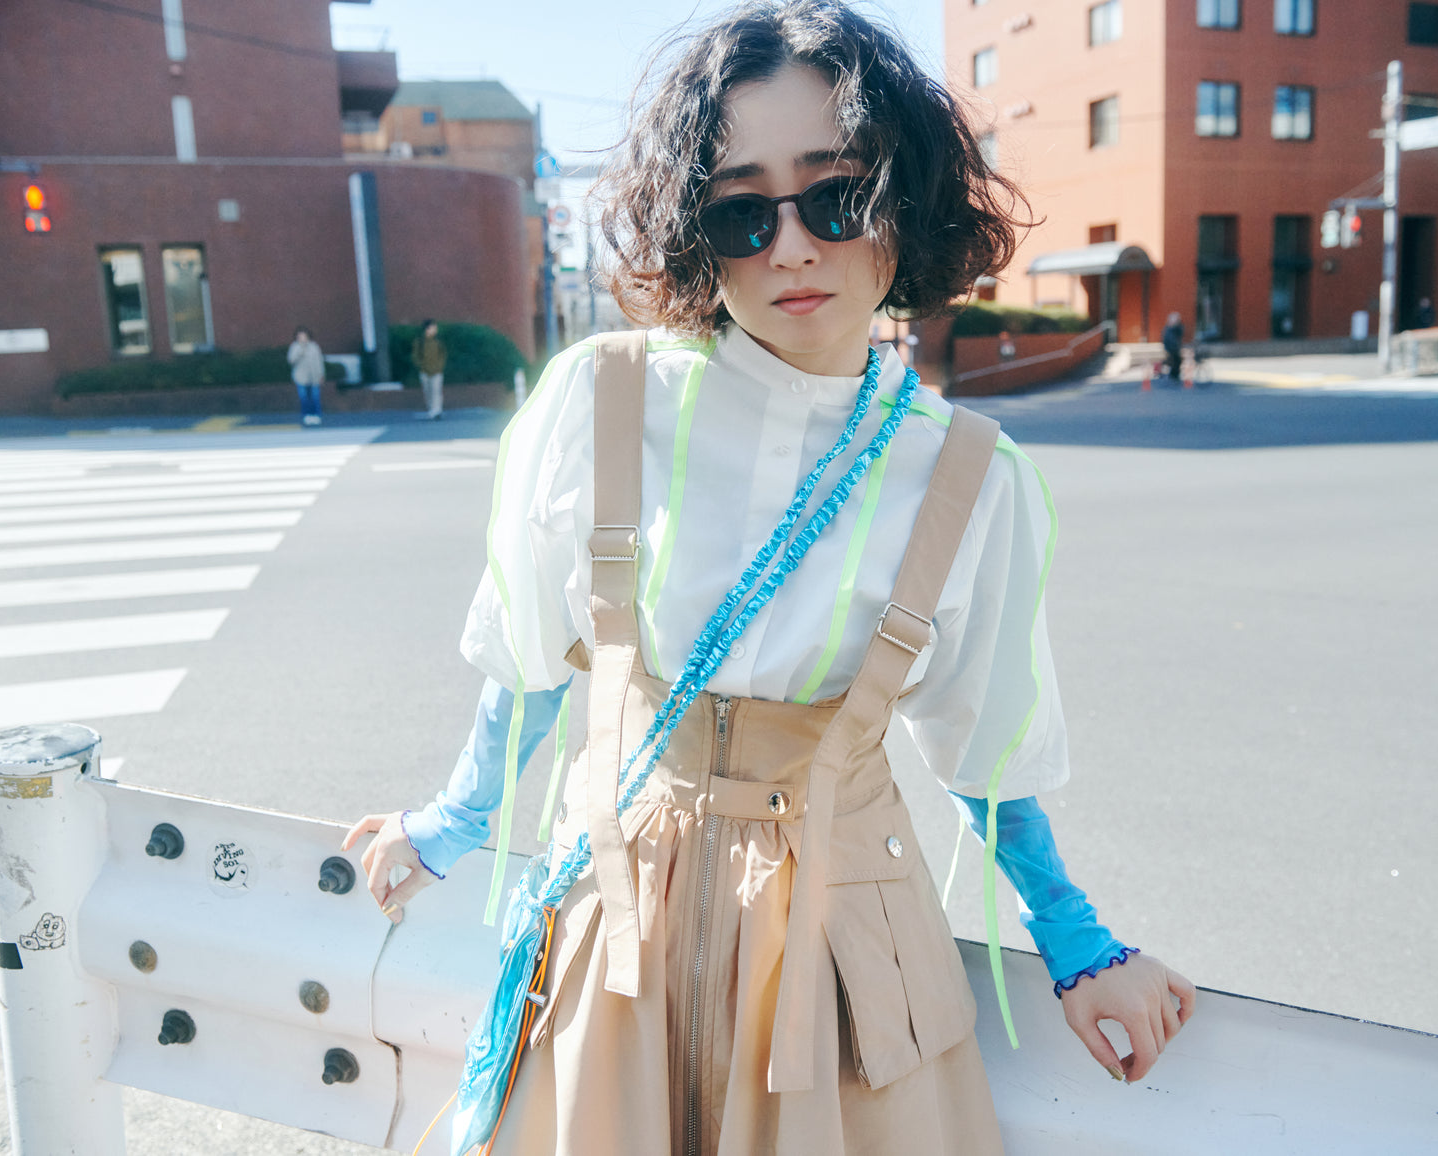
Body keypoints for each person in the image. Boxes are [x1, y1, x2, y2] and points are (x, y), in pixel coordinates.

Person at [344, 4, 1193, 1153]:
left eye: (835, 196)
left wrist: (1079, 943)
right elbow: (539, 664)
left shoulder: (966, 476)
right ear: (694, 231)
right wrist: (445, 827)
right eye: (741, 210)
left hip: (842, 959)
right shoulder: (599, 405)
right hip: (619, 930)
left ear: (903, 199)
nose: (790, 246)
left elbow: (980, 751)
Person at [286, 326, 325, 426]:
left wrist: (321, 374)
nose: (302, 338)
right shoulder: (295, 347)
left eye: (304, 336)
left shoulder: (314, 346)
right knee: (304, 397)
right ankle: (307, 416)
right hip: (301, 377)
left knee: (315, 396)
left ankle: (316, 416)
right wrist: (300, 352)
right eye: (300, 337)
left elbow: (319, 361)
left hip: (314, 376)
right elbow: (291, 360)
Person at [413, 319, 448, 419]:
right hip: (424, 371)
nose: (435, 330)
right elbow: (416, 356)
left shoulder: (438, 341)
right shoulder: (419, 342)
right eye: (433, 328)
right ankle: (431, 409)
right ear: (427, 329)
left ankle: (437, 410)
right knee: (427, 391)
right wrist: (422, 366)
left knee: (436, 390)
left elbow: (443, 355)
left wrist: (439, 367)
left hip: (437, 371)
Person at [1161, 311, 1185, 380]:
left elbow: (1180, 333)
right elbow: (1166, 339)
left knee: (1176, 361)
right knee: (1175, 361)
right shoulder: (1169, 328)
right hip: (1171, 348)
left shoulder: (1176, 328)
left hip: (1174, 348)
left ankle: (1174, 375)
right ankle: (1173, 375)